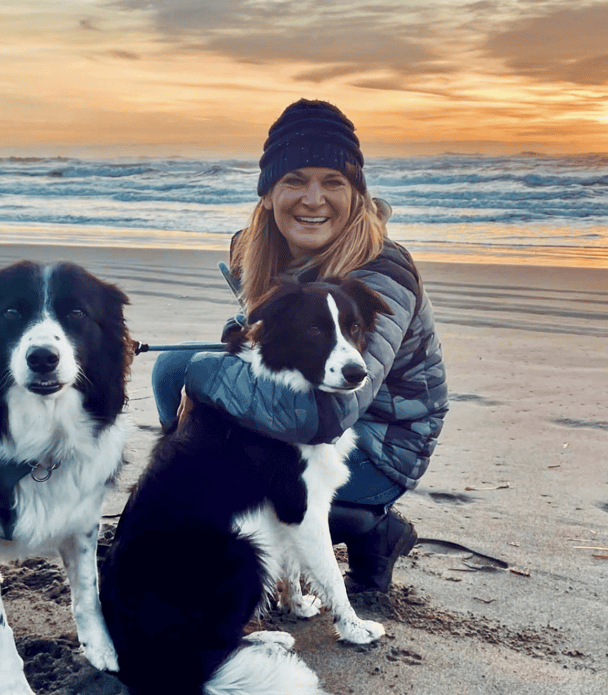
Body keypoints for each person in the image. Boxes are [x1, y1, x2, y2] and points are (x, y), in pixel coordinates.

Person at [151, 98, 448, 594]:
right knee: (173, 368)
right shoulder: (255, 249)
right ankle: (207, 520)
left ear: (356, 193)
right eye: (296, 180)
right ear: (268, 193)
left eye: (334, 181)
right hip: (304, 426)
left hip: (377, 443)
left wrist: (203, 376)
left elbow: (322, 415)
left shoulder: (384, 271)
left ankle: (370, 525)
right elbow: (264, 350)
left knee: (191, 372)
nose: (314, 199)